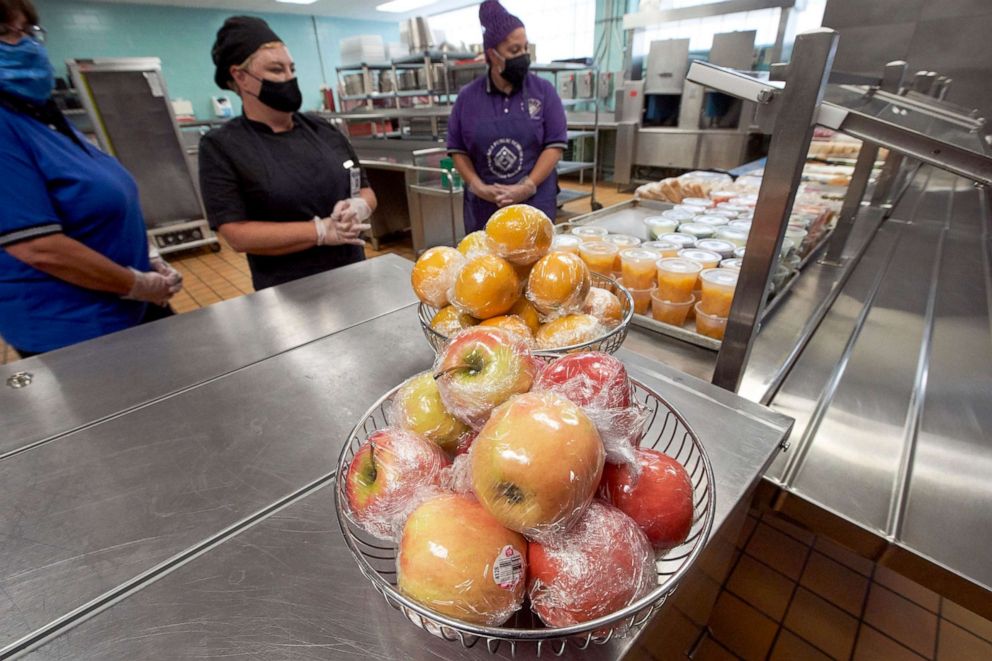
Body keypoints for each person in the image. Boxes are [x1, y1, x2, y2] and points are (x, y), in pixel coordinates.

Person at [0, 0, 182, 359]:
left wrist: (147, 257)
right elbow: (39, 247)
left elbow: (104, 200)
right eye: (5, 33)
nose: (25, 45)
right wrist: (137, 284)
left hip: (133, 310)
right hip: (76, 331)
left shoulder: (44, 118)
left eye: (29, 32)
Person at [200, 16, 376, 291]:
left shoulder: (322, 129)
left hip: (353, 275)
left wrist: (359, 207)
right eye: (276, 70)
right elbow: (235, 233)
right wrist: (318, 231)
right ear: (240, 76)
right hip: (287, 291)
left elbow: (364, 189)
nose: (289, 78)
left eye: (291, 69)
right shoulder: (223, 146)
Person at [446, 0, 568, 232]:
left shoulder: (543, 92)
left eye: (525, 48)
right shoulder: (468, 98)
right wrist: (479, 187)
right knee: (487, 264)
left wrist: (528, 186)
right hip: (485, 207)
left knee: (533, 261)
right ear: (492, 54)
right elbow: (457, 149)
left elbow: (554, 145)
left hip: (534, 202)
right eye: (514, 50)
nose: (522, 55)